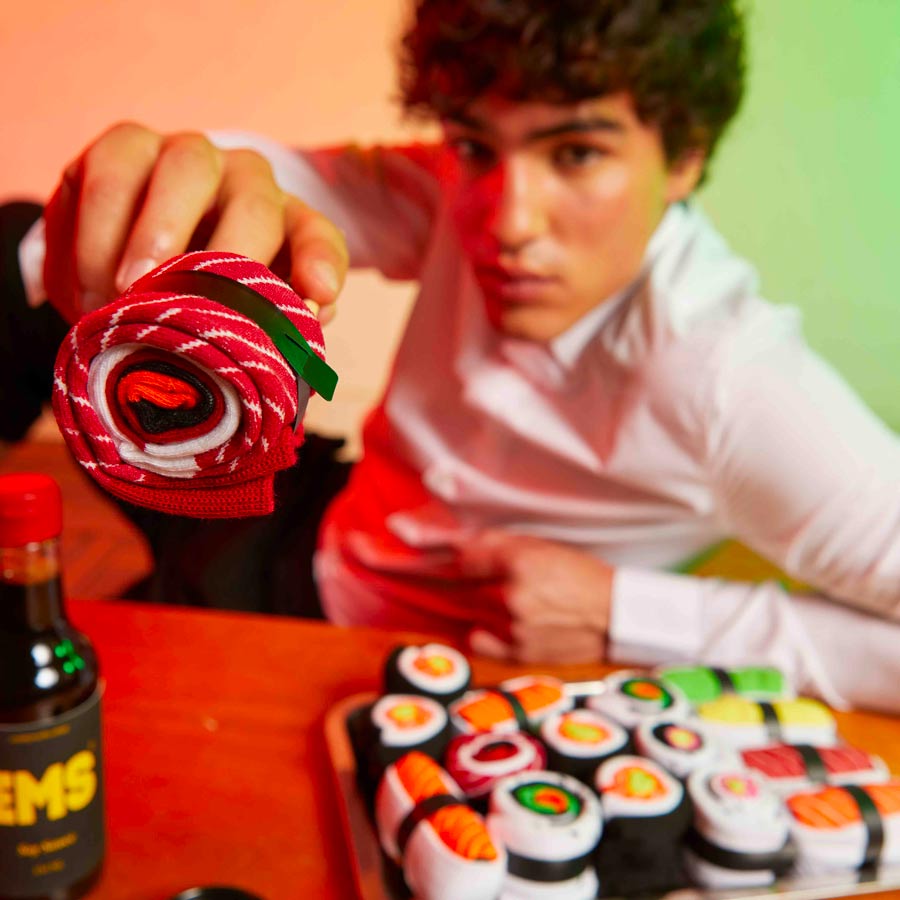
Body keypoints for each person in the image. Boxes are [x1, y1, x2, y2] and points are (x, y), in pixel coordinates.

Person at [5, 0, 900, 712]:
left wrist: (629, 613)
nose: (509, 222)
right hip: (308, 519)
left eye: (577, 153)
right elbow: (279, 182)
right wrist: (162, 184)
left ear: (684, 159)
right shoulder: (449, 192)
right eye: (476, 146)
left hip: (389, 659)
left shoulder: (733, 380)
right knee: (24, 241)